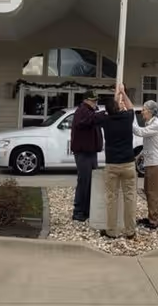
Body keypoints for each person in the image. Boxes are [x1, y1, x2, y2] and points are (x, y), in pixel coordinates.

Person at [118, 89, 158, 229]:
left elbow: (139, 132)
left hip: (157, 163)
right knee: (148, 190)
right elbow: (148, 144)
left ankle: (155, 221)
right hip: (151, 162)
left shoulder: (156, 124)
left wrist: (129, 116)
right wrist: (139, 156)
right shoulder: (150, 122)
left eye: (144, 110)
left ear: (151, 111)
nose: (142, 112)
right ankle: (151, 216)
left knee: (154, 192)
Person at [97, 86, 137, 239]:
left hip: (112, 164)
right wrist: (123, 93)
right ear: (119, 106)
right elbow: (130, 106)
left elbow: (106, 112)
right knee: (130, 197)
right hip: (128, 163)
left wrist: (115, 99)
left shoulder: (105, 120)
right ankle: (130, 231)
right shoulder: (127, 118)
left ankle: (112, 231)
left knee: (111, 198)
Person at [70, 90, 103, 222]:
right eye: (93, 100)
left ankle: (87, 210)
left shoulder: (90, 112)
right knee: (84, 181)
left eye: (96, 100)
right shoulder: (82, 111)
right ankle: (78, 211)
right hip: (83, 153)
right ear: (85, 100)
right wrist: (103, 114)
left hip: (91, 152)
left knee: (91, 182)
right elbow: (87, 121)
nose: (95, 103)